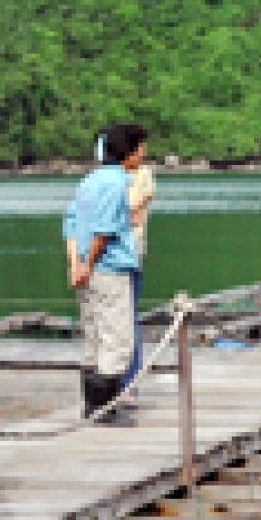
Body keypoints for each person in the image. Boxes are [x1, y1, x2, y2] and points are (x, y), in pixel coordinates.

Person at [64, 123, 146, 425]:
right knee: (117, 339)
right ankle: (105, 409)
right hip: (108, 270)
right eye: (141, 148)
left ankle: (91, 405)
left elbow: (71, 224)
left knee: (94, 338)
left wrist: (76, 264)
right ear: (129, 151)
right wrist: (88, 263)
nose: (143, 155)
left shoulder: (89, 181)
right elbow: (104, 230)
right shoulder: (115, 183)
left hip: (88, 272)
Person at [121, 146, 158, 398]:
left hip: (130, 252)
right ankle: (113, 384)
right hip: (105, 254)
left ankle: (129, 383)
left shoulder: (144, 175)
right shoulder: (106, 176)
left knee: (129, 315)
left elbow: (135, 208)